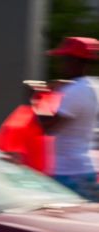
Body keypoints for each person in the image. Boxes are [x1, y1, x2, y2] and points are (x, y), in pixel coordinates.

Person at [36, 36, 99, 200]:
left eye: (64, 59)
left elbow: (48, 128)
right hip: (82, 169)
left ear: (76, 62)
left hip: (69, 173)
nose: (60, 64)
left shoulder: (75, 92)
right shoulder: (90, 86)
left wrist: (36, 100)